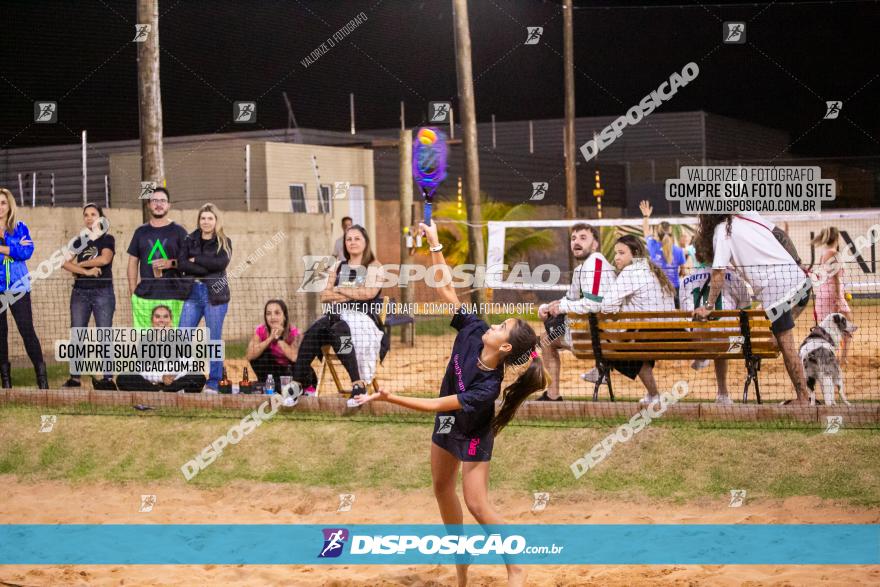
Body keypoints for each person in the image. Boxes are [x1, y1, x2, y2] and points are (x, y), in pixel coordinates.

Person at [355, 219, 548, 587]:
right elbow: (447, 291)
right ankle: (462, 570)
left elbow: (435, 406)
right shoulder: (475, 330)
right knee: (442, 488)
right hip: (448, 424)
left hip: (472, 430)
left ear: (504, 348)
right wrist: (434, 245)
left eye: (500, 328)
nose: (493, 325)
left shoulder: (487, 389)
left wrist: (389, 396)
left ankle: (515, 567)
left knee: (477, 504)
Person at [693, 213, 811, 404]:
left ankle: (804, 399)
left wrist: (708, 306)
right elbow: (781, 234)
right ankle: (804, 393)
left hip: (776, 291)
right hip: (801, 283)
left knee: (786, 345)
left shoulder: (721, 231)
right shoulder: (747, 215)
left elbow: (718, 274)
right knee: (778, 341)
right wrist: (797, 262)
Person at [574, 235, 676, 405]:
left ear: (634, 253)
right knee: (626, 338)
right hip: (666, 336)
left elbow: (606, 306)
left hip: (645, 336)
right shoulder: (653, 269)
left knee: (603, 333)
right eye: (616, 253)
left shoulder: (630, 272)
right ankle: (653, 394)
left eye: (621, 253)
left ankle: (601, 369)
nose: (616, 258)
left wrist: (619, 308)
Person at [292, 225, 385, 398]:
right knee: (315, 329)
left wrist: (340, 289)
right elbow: (324, 296)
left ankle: (358, 385)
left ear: (366, 242)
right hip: (337, 316)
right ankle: (295, 384)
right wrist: (352, 292)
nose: (352, 242)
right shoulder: (337, 266)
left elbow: (368, 293)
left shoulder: (374, 266)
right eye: (348, 239)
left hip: (363, 317)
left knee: (338, 328)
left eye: (357, 238)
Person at [537, 223, 616, 400]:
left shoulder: (595, 263)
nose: (576, 242)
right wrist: (548, 308)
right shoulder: (582, 268)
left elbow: (594, 304)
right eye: (573, 239)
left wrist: (563, 307)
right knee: (547, 337)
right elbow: (570, 299)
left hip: (601, 339)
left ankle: (552, 395)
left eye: (583, 238)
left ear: (595, 244)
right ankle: (553, 394)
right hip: (596, 334)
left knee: (546, 340)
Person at [679, 253, 751, 404]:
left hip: (695, 342)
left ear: (697, 255)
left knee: (703, 328)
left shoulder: (685, 280)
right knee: (727, 333)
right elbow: (747, 312)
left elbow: (685, 313)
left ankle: (703, 353)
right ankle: (723, 394)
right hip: (733, 346)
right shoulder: (735, 278)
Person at [61, 203, 117, 390]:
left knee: (104, 335)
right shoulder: (78, 241)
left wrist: (81, 264)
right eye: (86, 215)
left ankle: (108, 378)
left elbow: (104, 259)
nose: (89, 218)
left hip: (103, 292)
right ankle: (75, 379)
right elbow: (64, 263)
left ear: (101, 218)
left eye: (93, 214)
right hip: (80, 293)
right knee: (77, 334)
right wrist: (85, 272)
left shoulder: (108, 239)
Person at [177, 203, 232, 392]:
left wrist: (197, 260)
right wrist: (207, 266)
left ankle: (214, 382)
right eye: (203, 218)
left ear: (216, 220)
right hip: (192, 293)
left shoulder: (224, 241)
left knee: (213, 339)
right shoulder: (189, 239)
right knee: (182, 335)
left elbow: (221, 263)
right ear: (198, 220)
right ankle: (182, 379)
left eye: (210, 218)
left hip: (215, 295)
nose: (206, 222)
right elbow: (182, 264)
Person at [0, 188, 47, 389]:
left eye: (2, 202)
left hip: (18, 287)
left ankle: (42, 380)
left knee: (27, 331)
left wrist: (3, 249)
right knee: (0, 334)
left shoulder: (19, 227)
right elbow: (17, 251)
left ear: (9, 205)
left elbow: (26, 251)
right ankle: (6, 383)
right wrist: (12, 251)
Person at [126, 187, 189, 328]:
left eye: (162, 200)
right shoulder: (140, 232)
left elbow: (190, 262)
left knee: (173, 344)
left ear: (169, 205)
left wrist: (171, 263)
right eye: (154, 200)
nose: (159, 204)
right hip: (145, 296)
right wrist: (133, 292)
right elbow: (132, 262)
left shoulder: (179, 231)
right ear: (148, 204)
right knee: (146, 343)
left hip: (174, 295)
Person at [116, 305, 207, 392]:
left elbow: (189, 364)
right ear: (152, 320)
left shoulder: (180, 338)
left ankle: (161, 393)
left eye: (165, 317)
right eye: (157, 316)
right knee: (123, 377)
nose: (161, 320)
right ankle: (160, 392)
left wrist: (172, 375)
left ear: (170, 320)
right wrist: (161, 377)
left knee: (198, 377)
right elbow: (141, 369)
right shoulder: (145, 340)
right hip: (151, 383)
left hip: (174, 382)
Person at [810, 227, 852, 363]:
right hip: (832, 295)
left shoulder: (824, 254)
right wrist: (839, 299)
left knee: (827, 328)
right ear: (837, 238)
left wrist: (842, 292)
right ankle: (842, 359)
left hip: (823, 294)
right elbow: (835, 279)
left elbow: (825, 277)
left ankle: (825, 356)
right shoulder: (834, 254)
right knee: (847, 325)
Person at [640, 200, 686, 307]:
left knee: (658, 320)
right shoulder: (678, 250)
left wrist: (646, 216)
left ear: (657, 233)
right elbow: (683, 271)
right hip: (674, 289)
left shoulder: (653, 245)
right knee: (676, 320)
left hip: (657, 288)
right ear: (671, 233)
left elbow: (646, 231)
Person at [246, 299, 300, 386]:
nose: (272, 317)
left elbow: (294, 357)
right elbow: (249, 355)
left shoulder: (294, 332)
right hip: (270, 372)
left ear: (284, 316)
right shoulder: (260, 330)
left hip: (288, 372)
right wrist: (270, 338)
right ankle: (266, 383)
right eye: (268, 313)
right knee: (261, 354)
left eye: (277, 313)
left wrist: (279, 339)